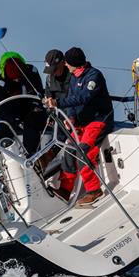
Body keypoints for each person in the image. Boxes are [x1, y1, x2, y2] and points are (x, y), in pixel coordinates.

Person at [44, 47, 114, 207]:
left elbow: (84, 97)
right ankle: (66, 190)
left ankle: (94, 190)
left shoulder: (93, 76)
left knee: (84, 151)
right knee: (69, 149)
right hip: (81, 122)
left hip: (98, 120)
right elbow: (72, 100)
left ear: (74, 63)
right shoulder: (75, 77)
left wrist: (58, 103)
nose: (66, 66)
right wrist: (70, 119)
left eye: (67, 63)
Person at [0, 51, 45, 155]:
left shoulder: (32, 72)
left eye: (19, 77)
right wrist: (12, 119)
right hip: (13, 113)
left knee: (31, 122)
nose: (17, 80)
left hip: (33, 110)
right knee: (2, 131)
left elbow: (39, 92)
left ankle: (32, 156)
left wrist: (36, 106)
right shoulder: (1, 83)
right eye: (14, 79)